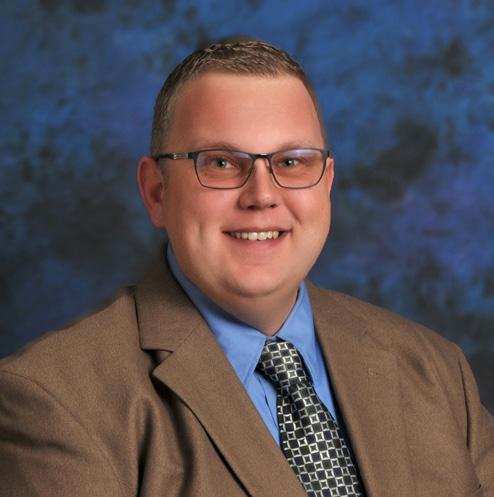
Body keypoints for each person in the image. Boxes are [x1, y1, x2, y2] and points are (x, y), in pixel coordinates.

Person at [0, 40, 493, 497]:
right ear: (157, 192)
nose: (262, 196)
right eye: (220, 163)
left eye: (292, 162)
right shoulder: (53, 401)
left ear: (326, 184)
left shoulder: (436, 369)